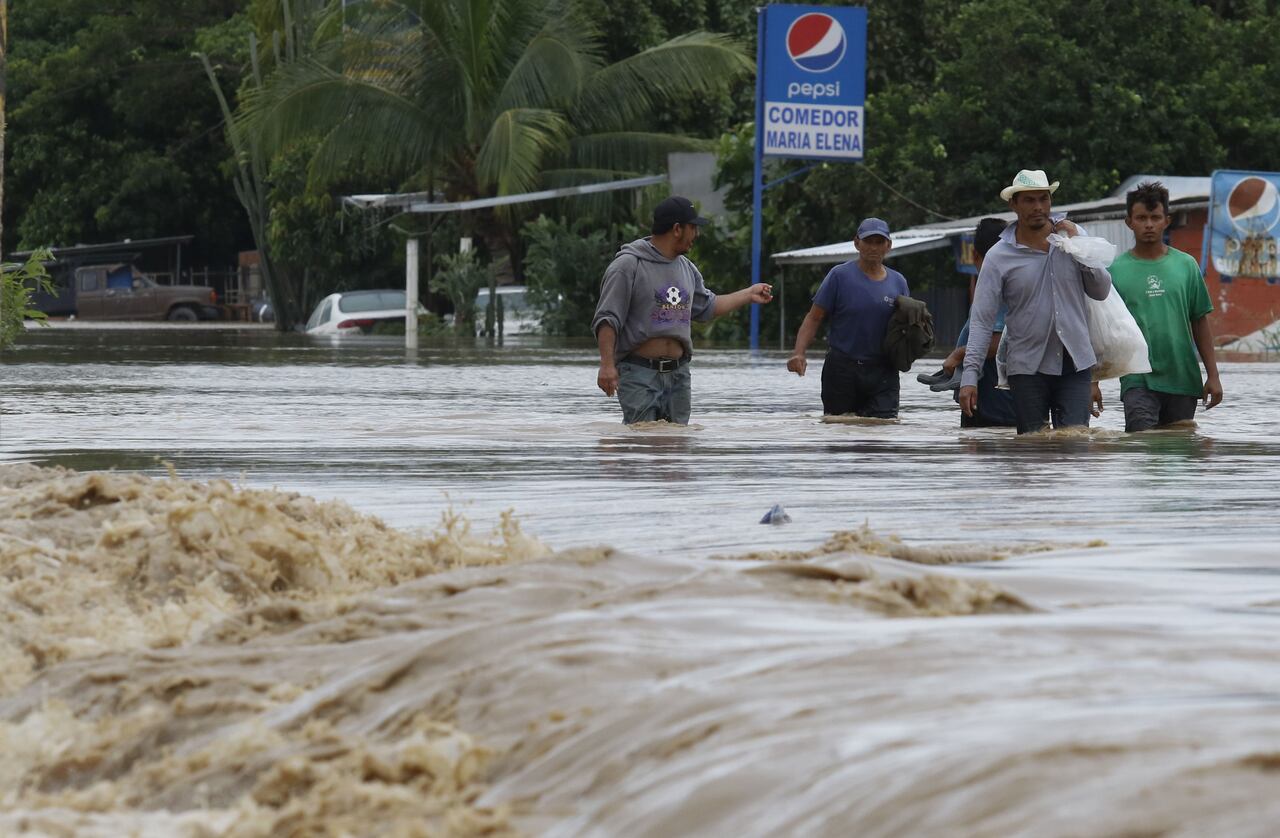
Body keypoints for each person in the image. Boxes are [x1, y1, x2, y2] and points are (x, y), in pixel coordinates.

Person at [592, 196, 773, 424]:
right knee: (641, 444)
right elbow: (607, 319)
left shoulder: (687, 268)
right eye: (693, 228)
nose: (696, 235)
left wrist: (748, 294)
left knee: (676, 448)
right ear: (677, 229)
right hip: (639, 373)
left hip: (679, 375)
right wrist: (606, 365)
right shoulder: (628, 266)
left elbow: (707, 307)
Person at [959, 170, 1112, 434]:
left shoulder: (1073, 238)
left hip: (1074, 363)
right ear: (1014, 205)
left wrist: (1078, 246)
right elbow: (982, 320)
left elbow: (1101, 290)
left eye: (1043, 198)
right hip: (1026, 368)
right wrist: (969, 377)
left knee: (1074, 442)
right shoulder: (998, 257)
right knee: (1031, 449)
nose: (1038, 207)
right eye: (1029, 200)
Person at [1110, 180, 1223, 431]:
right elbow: (1104, 330)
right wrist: (1092, 382)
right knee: (1142, 446)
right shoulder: (1115, 271)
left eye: (1155, 217)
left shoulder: (1186, 266)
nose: (1148, 224)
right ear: (1129, 222)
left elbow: (1200, 322)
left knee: (1179, 452)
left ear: (1166, 220)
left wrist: (1213, 376)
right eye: (1141, 218)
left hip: (1182, 378)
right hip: (1137, 378)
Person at [787, 218, 910, 418]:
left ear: (888, 246)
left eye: (879, 242)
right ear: (856, 243)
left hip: (883, 372)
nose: (873, 247)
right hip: (842, 370)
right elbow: (814, 318)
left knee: (883, 433)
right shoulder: (839, 276)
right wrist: (799, 353)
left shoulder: (899, 282)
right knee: (839, 430)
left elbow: (906, 327)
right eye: (868, 241)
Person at [933, 218, 1019, 427]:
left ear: (975, 256)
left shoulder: (999, 288)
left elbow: (1002, 342)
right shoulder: (1014, 281)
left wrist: (958, 355)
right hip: (1001, 390)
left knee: (986, 451)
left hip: (994, 392)